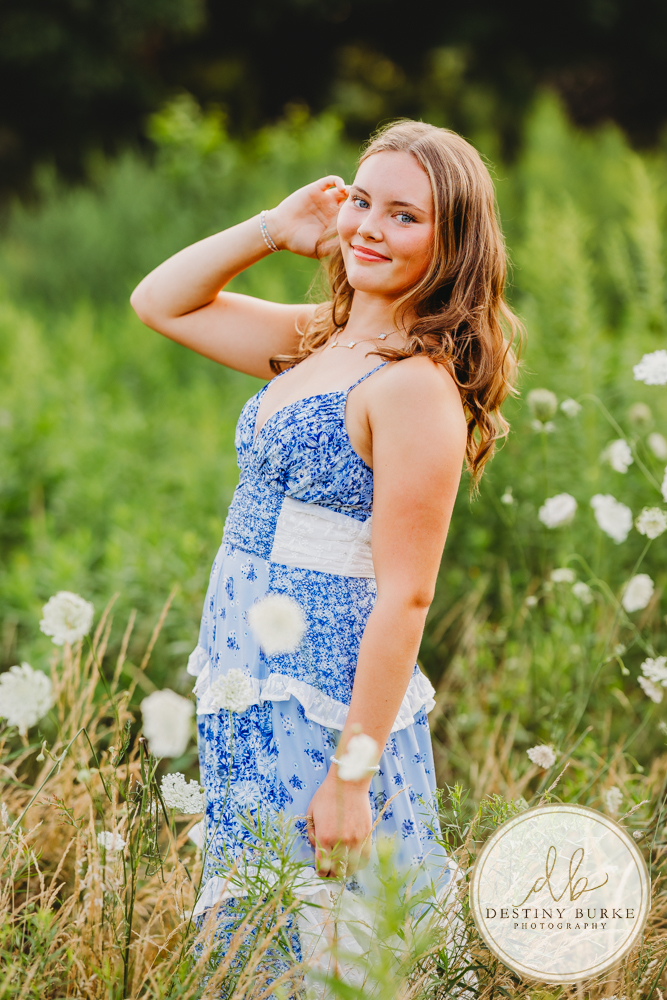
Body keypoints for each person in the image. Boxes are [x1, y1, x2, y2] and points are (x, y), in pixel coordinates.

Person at [131, 119, 519, 975]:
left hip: (322, 697)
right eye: (362, 202)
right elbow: (158, 301)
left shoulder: (412, 385)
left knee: (333, 938)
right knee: (264, 927)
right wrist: (272, 228)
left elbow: (406, 595)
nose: (370, 228)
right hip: (250, 682)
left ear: (453, 241)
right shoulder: (320, 338)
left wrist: (350, 774)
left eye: (404, 216)